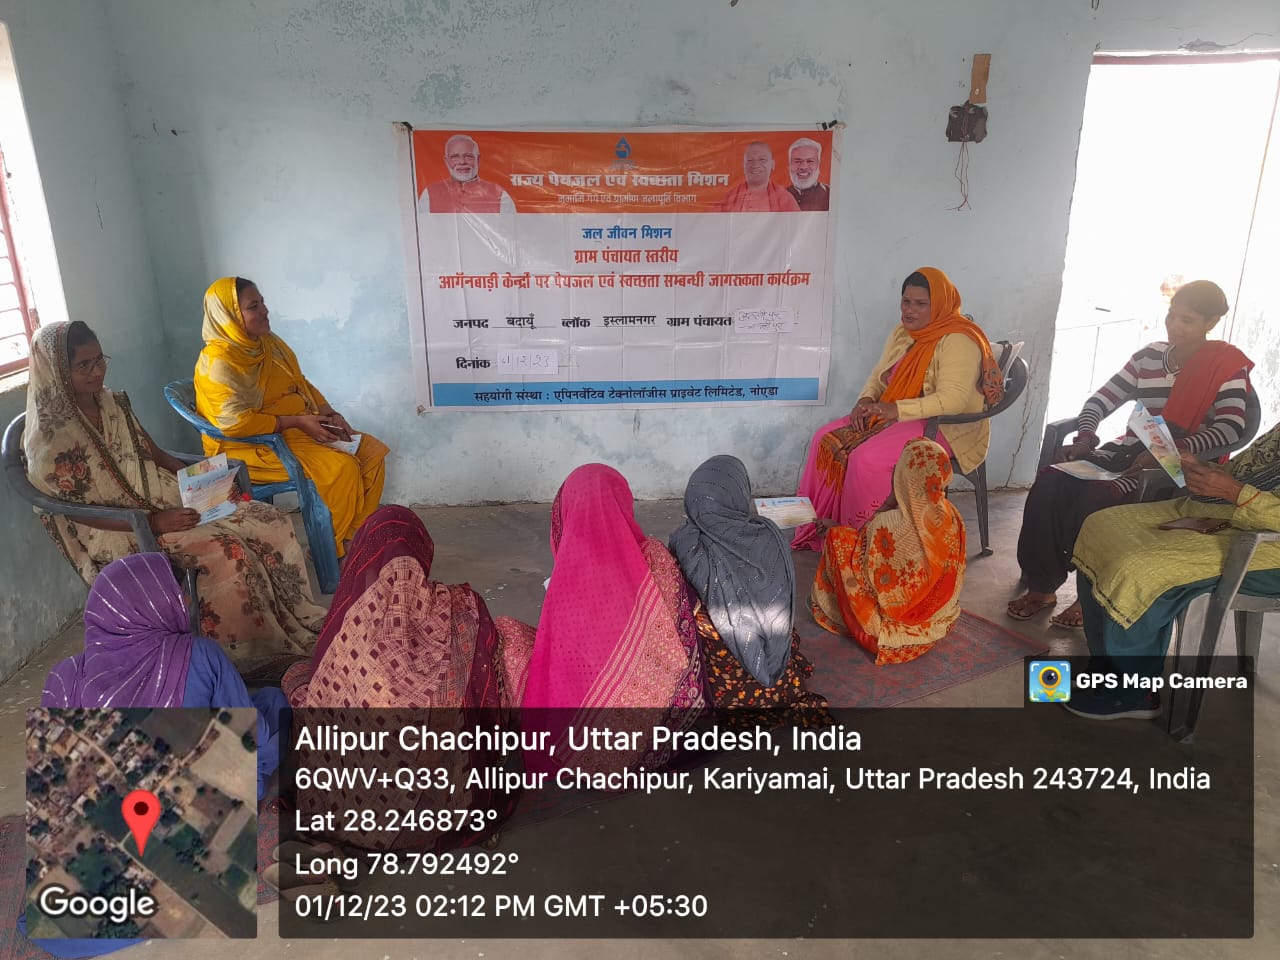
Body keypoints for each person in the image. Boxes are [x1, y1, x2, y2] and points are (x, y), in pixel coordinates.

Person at [25, 553, 289, 956]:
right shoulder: (198, 654)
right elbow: (254, 744)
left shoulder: (63, 678)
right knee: (273, 706)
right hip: (196, 815)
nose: (186, 601)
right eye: (178, 593)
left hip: (111, 829)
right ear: (150, 605)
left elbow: (56, 783)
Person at [24, 321, 323, 670]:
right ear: (58, 372)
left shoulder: (111, 403)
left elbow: (154, 453)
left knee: (269, 520)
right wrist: (153, 523)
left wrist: (202, 482)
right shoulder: (50, 438)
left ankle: (296, 619)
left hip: (164, 497)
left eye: (99, 360)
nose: (97, 372)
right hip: (119, 529)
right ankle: (244, 654)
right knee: (227, 548)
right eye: (83, 366)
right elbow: (71, 511)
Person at [1008, 280, 1250, 629]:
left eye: (1188, 320)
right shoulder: (1148, 358)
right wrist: (1086, 437)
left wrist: (1169, 451)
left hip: (1175, 466)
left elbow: (1230, 429)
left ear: (1211, 322)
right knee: (1050, 482)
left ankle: (1090, 595)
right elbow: (1100, 400)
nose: (1175, 326)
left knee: (1099, 497)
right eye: (1172, 315)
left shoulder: (1226, 367)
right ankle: (1042, 587)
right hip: (1128, 452)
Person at [282, 506, 525, 850]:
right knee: (498, 648)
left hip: (347, 800)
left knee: (296, 677)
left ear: (363, 556)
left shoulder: (347, 625)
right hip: (441, 799)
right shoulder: (459, 607)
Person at [1068, 424, 1280, 719]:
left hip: (1266, 548)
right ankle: (1108, 663)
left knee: (1141, 568)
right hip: (1226, 514)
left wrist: (1235, 492)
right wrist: (1202, 470)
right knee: (1100, 525)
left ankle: (1134, 693)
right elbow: (1242, 472)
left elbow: (1241, 490)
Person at [792, 267, 1003, 550]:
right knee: (824, 438)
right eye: (906, 301)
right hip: (898, 414)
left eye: (921, 304)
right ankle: (818, 530)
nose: (910, 310)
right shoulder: (903, 333)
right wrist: (866, 400)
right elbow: (880, 374)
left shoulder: (958, 340)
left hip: (946, 426)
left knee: (866, 459)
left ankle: (866, 543)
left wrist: (895, 410)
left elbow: (953, 400)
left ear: (940, 304)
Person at [514, 464, 706, 773]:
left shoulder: (566, 580)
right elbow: (683, 635)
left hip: (580, 739)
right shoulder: (656, 556)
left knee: (511, 636)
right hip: (662, 726)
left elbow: (560, 664)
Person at [194, 277, 390, 560]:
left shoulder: (267, 343)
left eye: (262, 302)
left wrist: (328, 413)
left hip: (296, 430)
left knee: (372, 452)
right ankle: (329, 552)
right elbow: (235, 423)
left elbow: (300, 382)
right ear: (228, 316)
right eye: (253, 306)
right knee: (342, 468)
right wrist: (297, 422)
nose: (265, 311)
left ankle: (350, 538)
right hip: (250, 445)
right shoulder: (219, 363)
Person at [668, 455, 828, 719]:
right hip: (772, 651)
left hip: (715, 673)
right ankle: (769, 673)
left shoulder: (685, 540)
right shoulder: (766, 534)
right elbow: (781, 596)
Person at [810, 438, 967, 664]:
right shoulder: (953, 516)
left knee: (838, 540)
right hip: (934, 623)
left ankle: (831, 607)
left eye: (898, 469)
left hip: (883, 633)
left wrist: (835, 530)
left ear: (904, 476)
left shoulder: (890, 524)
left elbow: (860, 561)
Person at [421, 134, 516, 214]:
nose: (462, 162)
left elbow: (511, 229)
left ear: (478, 160)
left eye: (468, 156)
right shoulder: (429, 194)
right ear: (446, 161)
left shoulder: (499, 195)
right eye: (455, 157)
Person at [720, 141, 801, 212]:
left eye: (762, 159)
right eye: (750, 160)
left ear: (772, 165)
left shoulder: (785, 199)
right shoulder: (731, 197)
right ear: (743, 166)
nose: (755, 165)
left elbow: (797, 223)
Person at [785, 137, 830, 211]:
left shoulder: (830, 194)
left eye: (810, 161)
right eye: (797, 161)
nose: (803, 167)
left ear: (818, 165)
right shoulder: (779, 196)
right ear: (789, 166)